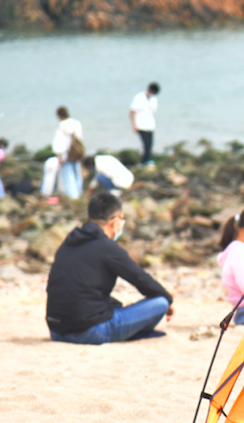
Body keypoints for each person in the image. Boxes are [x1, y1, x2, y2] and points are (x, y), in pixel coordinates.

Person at [46, 192, 174, 344]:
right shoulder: (107, 248)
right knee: (160, 303)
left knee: (116, 305)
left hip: (56, 331)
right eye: (122, 219)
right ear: (115, 221)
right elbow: (141, 279)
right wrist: (168, 299)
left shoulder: (68, 243)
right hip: (89, 331)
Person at [40, 107, 84, 200]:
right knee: (77, 173)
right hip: (76, 153)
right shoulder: (76, 123)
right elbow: (80, 138)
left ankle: (73, 196)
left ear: (59, 115)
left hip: (66, 154)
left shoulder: (61, 126)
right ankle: (79, 193)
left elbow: (58, 143)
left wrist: (59, 156)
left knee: (68, 176)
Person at [130, 82, 160, 166]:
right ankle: (144, 162)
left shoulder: (154, 99)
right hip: (140, 125)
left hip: (150, 125)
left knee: (150, 144)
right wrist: (134, 124)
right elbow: (132, 111)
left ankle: (147, 160)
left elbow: (152, 111)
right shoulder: (139, 97)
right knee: (146, 144)